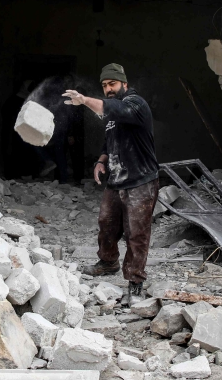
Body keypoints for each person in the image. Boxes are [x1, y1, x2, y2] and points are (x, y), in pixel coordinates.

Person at [62, 63, 159, 298]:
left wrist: (84, 100)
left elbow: (113, 108)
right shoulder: (112, 114)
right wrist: (101, 160)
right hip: (116, 179)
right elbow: (110, 138)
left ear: (124, 84)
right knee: (106, 223)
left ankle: (135, 280)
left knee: (136, 233)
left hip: (140, 180)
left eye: (112, 84)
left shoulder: (136, 105)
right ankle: (108, 262)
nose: (108, 88)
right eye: (104, 85)